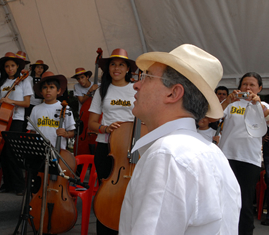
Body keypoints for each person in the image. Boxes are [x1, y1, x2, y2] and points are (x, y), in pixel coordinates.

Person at [119, 44, 241, 235]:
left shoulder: (167, 155)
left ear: (173, 93)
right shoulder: (215, 154)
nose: (136, 84)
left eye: (147, 76)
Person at [88, 48, 138, 235]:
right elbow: (91, 123)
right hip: (106, 147)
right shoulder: (102, 90)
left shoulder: (136, 89)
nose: (116, 68)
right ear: (108, 68)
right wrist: (105, 128)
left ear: (127, 69)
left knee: (130, 193)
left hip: (131, 147)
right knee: (106, 192)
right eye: (113, 64)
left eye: (121, 64)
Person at [219, 72, 269, 234]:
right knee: (223, 199)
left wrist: (257, 104)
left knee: (244, 202)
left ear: (259, 88)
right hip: (226, 156)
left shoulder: (264, 106)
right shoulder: (231, 105)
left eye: (252, 85)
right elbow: (213, 117)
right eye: (244, 84)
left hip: (249, 160)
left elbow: (265, 115)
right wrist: (227, 101)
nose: (247, 88)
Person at [0, 52, 33, 195]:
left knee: (12, 153)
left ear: (17, 67)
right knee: (2, 152)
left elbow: (27, 103)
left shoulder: (24, 82)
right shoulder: (0, 82)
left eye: (12, 66)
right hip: (1, 119)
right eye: (7, 66)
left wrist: (10, 101)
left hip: (16, 119)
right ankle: (7, 184)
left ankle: (19, 185)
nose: (10, 69)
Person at [27, 71, 75, 149]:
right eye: (45, 87)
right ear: (41, 92)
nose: (48, 90)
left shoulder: (65, 108)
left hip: (59, 151)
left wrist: (65, 134)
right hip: (40, 150)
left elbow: (72, 132)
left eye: (52, 87)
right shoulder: (36, 109)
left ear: (58, 91)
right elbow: (32, 132)